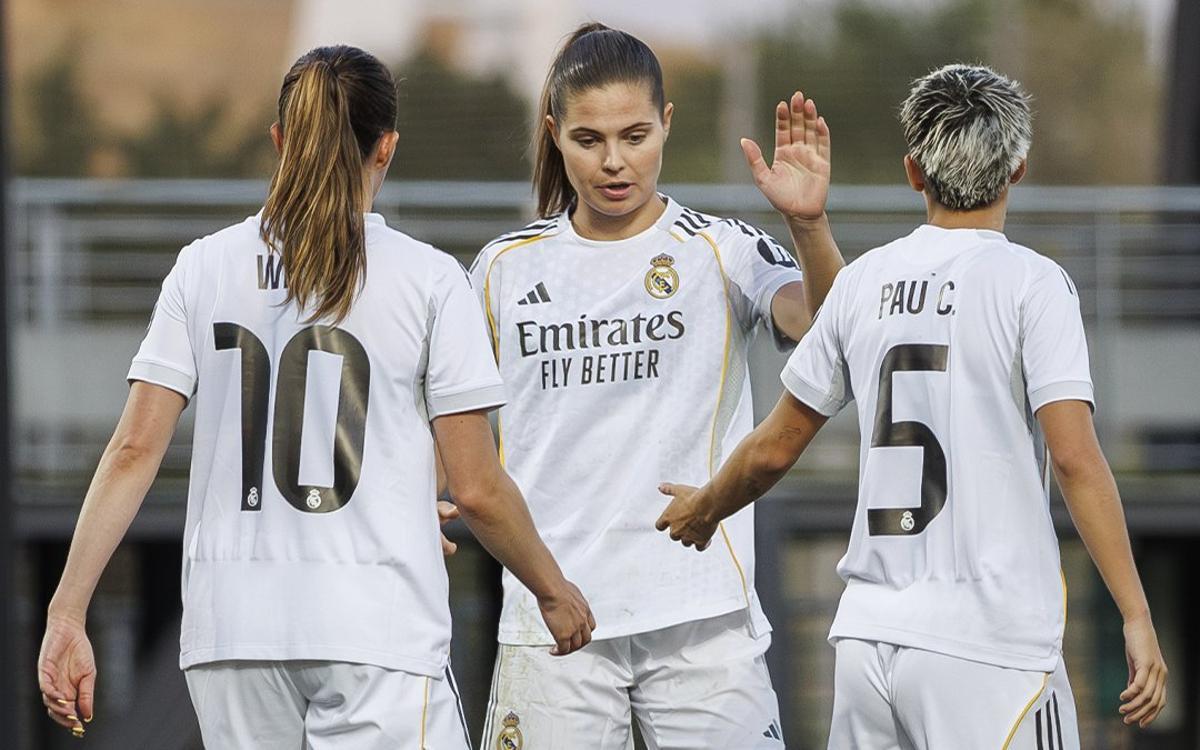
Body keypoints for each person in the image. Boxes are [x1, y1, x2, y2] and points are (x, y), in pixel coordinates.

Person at [37, 45, 593, 748]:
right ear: (386, 147)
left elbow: (133, 451)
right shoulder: (427, 279)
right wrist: (552, 589)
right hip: (376, 630)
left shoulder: (201, 267)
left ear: (278, 140)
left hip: (231, 634)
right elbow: (477, 488)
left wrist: (67, 611)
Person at [656, 63, 1168, 748]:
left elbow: (776, 447)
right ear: (1018, 169)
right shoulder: (1034, 283)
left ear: (912, 171)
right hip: (988, 646)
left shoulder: (863, 281)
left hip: (869, 642)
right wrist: (1136, 613)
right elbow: (1075, 461)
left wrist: (705, 506)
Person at [469, 22, 844, 749]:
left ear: (667, 124)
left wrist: (809, 225)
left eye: (635, 135)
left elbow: (824, 329)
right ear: (553, 132)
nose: (615, 162)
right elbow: (448, 422)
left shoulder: (719, 248)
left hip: (701, 620)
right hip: (554, 620)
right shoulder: (500, 269)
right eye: (588, 140)